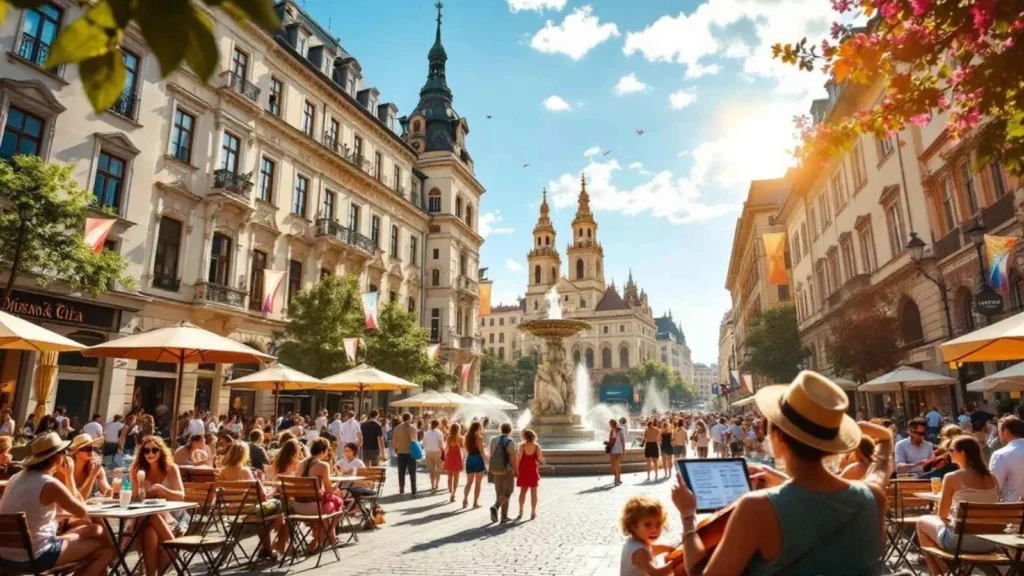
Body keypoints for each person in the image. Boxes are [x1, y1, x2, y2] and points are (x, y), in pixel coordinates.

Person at [676, 371, 893, 575]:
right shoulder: (872, 495)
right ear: (831, 443)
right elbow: (882, 459)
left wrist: (687, 515)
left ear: (777, 436)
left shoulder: (757, 507)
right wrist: (883, 435)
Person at [0, 433, 116, 576]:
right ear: (56, 457)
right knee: (105, 550)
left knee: (94, 530)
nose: (66, 455)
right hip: (36, 556)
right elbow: (81, 511)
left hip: (6, 556)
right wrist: (69, 475)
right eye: (63, 452)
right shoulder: (49, 483)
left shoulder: (16, 478)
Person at [917, 435, 1001, 575]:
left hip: (960, 541)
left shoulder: (952, 477)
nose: (948, 453)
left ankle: (940, 571)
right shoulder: (993, 478)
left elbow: (942, 515)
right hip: (989, 542)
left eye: (951, 450)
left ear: (962, 452)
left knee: (921, 522)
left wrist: (949, 513)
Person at [217, 441, 286, 559]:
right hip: (247, 509)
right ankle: (271, 546)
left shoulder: (223, 471)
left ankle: (266, 548)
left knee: (265, 518)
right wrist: (271, 494)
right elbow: (260, 496)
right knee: (278, 511)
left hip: (231, 509)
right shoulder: (245, 471)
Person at [130, 436, 185, 576]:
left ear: (161, 451)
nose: (150, 454)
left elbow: (180, 496)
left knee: (150, 527)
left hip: (173, 516)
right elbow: (135, 500)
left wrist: (163, 490)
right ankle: (173, 548)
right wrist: (138, 486)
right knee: (151, 525)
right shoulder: (138, 471)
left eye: (154, 450)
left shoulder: (171, 468)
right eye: (146, 451)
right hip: (145, 517)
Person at [295, 438, 343, 552]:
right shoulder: (323, 465)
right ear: (324, 451)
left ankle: (323, 539)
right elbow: (329, 490)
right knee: (338, 504)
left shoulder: (300, 464)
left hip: (297, 507)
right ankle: (325, 538)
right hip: (314, 507)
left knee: (330, 505)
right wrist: (337, 484)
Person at [619, 494, 677, 576]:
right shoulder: (639, 552)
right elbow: (654, 573)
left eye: (658, 524)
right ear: (633, 526)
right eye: (647, 524)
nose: (654, 529)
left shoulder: (635, 542)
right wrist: (676, 563)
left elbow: (651, 549)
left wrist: (669, 548)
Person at [64, 434, 111, 499]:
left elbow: (106, 490)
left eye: (93, 448)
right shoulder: (66, 468)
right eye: (87, 449)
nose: (91, 451)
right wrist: (92, 476)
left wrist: (116, 489)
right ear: (76, 452)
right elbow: (75, 500)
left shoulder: (96, 467)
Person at [488, 422, 518, 524]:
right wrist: (516, 470)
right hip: (507, 470)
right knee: (508, 492)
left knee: (499, 492)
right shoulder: (510, 441)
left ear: (501, 429)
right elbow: (513, 458)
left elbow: (491, 454)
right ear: (510, 430)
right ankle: (496, 507)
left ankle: (503, 517)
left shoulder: (493, 439)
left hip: (496, 469)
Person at [990, 414, 1024, 503]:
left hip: (1013, 509)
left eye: (999, 432)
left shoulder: (1000, 455)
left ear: (1005, 432)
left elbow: (994, 487)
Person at [515, 428, 544, 520]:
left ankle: (520, 511)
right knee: (534, 493)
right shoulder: (537, 446)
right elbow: (540, 459)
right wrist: (541, 461)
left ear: (525, 436)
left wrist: (516, 470)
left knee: (523, 492)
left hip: (523, 470)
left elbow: (519, 458)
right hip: (532, 470)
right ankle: (533, 512)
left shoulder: (522, 446)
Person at [463, 421, 487, 509]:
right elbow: (481, 450)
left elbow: (466, 449)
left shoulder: (467, 437)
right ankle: (475, 503)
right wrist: (486, 459)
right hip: (478, 460)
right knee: (478, 484)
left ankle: (465, 499)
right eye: (480, 427)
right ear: (478, 428)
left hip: (470, 459)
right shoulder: (479, 438)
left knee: (469, 482)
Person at [392, 412, 418, 496]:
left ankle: (401, 488)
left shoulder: (397, 428)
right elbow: (415, 440)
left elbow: (394, 440)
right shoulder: (413, 428)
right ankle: (413, 488)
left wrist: (395, 449)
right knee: (412, 472)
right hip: (410, 453)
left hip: (400, 452)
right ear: (410, 418)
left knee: (401, 471)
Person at [443, 422, 464, 503]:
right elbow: (462, 448)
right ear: (458, 429)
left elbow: (446, 448)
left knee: (450, 476)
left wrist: (443, 456)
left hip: (450, 456)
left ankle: (450, 491)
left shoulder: (448, 437)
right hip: (457, 456)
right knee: (456, 477)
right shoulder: (461, 438)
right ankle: (453, 493)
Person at [422, 419, 444, 492]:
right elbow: (441, 444)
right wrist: (443, 453)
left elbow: (424, 443)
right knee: (438, 469)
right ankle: (437, 485)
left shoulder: (426, 433)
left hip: (428, 452)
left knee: (432, 471)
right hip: (437, 452)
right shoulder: (439, 433)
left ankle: (432, 485)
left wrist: (426, 450)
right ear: (437, 425)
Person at [607, 419, 626, 486]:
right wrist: (607, 444)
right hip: (612, 449)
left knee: (617, 464)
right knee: (612, 465)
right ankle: (615, 476)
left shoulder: (620, 431)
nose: (609, 425)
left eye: (610, 424)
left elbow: (623, 440)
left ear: (612, 424)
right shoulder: (611, 431)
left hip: (618, 449)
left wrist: (624, 450)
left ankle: (618, 478)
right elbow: (610, 440)